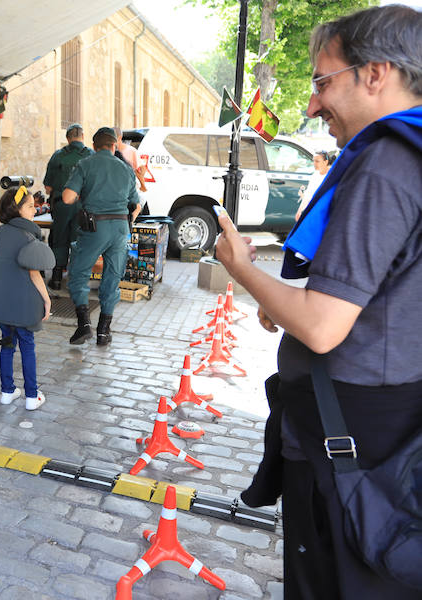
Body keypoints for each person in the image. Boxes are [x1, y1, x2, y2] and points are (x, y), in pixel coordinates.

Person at [214, 5, 422, 598]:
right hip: (392, 417)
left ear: (375, 72)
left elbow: (326, 328)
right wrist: (285, 300)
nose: (311, 106)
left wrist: (243, 271)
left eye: (322, 82)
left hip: (347, 434)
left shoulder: (384, 164)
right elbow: (386, 293)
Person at [0, 185, 54, 410]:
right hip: (23, 306)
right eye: (29, 206)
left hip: (0, 304)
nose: (34, 211)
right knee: (27, 346)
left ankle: (7, 392)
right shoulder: (28, 237)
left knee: (7, 344)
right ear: (17, 210)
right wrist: (47, 300)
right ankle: (31, 396)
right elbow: (34, 274)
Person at [62, 126, 141, 346]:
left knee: (78, 274)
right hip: (120, 229)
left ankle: (84, 325)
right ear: (115, 145)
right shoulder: (126, 169)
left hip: (95, 227)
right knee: (112, 278)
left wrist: (81, 192)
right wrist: (127, 221)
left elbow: (68, 198)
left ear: (94, 147)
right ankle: (104, 332)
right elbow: (136, 203)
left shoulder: (85, 164)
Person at [43, 123, 93, 290]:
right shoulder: (91, 156)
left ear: (67, 138)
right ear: (83, 137)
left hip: (61, 205)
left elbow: (48, 187)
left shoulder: (58, 156)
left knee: (59, 239)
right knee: (79, 241)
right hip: (83, 206)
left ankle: (56, 278)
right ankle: (76, 282)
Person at [295, 151, 334, 220]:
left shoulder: (331, 176)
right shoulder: (315, 175)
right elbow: (308, 194)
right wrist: (300, 210)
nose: (314, 164)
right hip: (313, 211)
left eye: (317, 161)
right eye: (313, 161)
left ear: (326, 162)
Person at [114, 128, 148, 193]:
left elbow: (142, 168)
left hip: (129, 189)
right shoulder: (109, 152)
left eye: (114, 138)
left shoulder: (131, 151)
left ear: (120, 137)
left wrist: (141, 184)